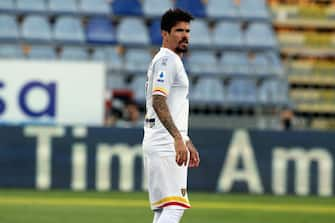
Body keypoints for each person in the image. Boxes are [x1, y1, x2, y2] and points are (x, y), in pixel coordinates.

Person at [142, 8, 200, 223]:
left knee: (164, 209)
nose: (185, 35)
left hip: (162, 139)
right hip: (165, 142)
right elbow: (159, 100)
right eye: (178, 30)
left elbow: (171, 105)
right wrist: (177, 138)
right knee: (175, 207)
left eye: (187, 30)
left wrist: (184, 139)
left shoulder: (168, 60)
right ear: (164, 34)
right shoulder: (167, 61)